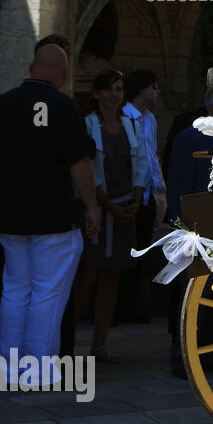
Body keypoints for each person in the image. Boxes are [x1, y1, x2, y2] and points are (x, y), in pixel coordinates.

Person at [0, 44, 99, 387]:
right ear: (64, 74)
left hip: (9, 215)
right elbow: (79, 163)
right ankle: (38, 372)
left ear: (30, 66)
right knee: (47, 293)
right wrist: (92, 206)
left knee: (14, 290)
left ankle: (9, 369)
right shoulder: (63, 106)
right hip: (52, 215)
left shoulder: (2, 105)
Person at [73, 68, 148, 362]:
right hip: (99, 209)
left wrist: (137, 198)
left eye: (118, 89)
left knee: (111, 277)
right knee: (87, 276)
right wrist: (108, 206)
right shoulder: (88, 125)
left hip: (125, 208)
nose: (114, 95)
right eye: (108, 89)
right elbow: (87, 172)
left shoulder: (131, 125)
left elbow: (141, 160)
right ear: (96, 94)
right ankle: (67, 341)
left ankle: (99, 344)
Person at [165, 94, 213, 377]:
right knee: (192, 295)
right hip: (198, 229)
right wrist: (183, 229)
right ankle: (183, 356)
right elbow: (178, 188)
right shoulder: (188, 138)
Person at [119, 69, 166, 326]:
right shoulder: (126, 116)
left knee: (142, 251)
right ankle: (122, 308)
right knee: (126, 251)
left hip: (148, 194)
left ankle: (135, 307)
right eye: (154, 86)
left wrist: (158, 186)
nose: (157, 92)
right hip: (131, 193)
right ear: (141, 89)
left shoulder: (150, 119)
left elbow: (151, 154)